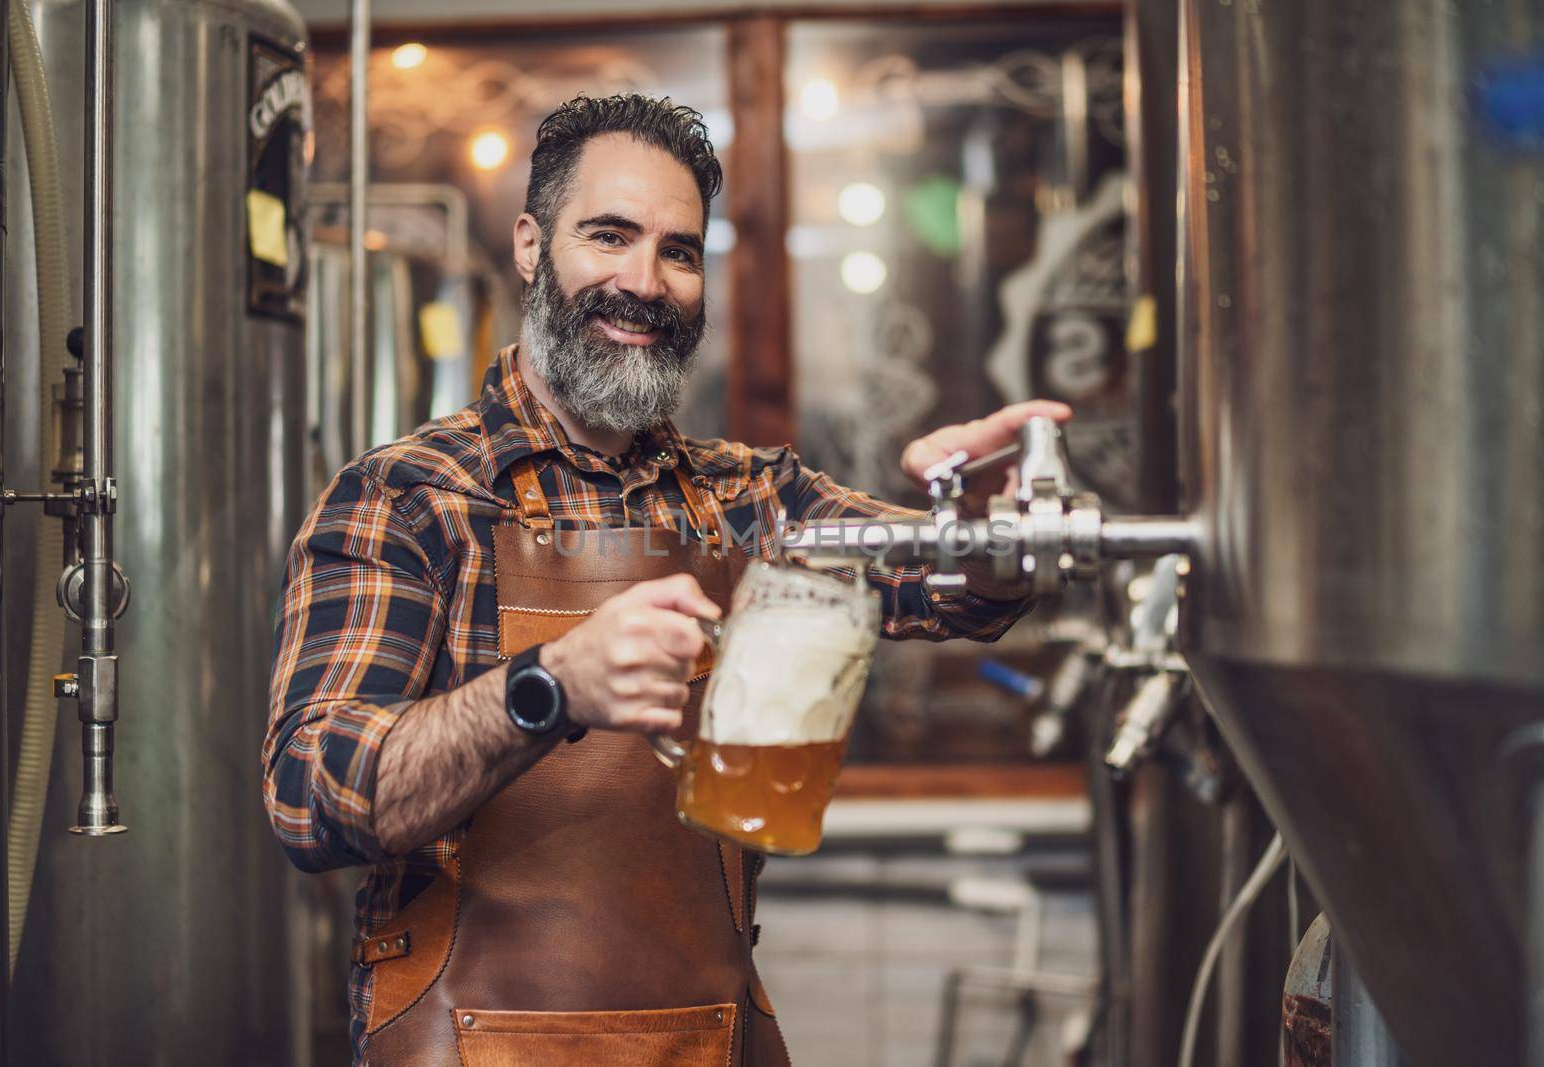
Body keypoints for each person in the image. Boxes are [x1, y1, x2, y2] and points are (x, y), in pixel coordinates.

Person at [263, 93, 1068, 1067]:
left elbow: (955, 587)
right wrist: (547, 686)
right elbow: (310, 793)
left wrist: (993, 518)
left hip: (708, 1039)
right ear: (529, 245)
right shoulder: (409, 497)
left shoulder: (749, 498)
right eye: (609, 235)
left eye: (678, 251)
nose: (644, 281)